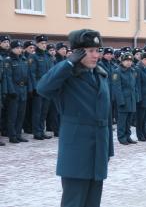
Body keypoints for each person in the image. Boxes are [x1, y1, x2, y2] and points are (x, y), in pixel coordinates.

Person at [36, 29, 113, 207]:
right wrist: (68, 64)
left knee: (93, 201)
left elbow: (107, 113)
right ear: (78, 53)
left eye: (98, 50)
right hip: (76, 149)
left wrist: (108, 148)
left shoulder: (101, 74)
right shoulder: (67, 75)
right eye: (90, 51)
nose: (96, 55)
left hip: (98, 147)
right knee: (74, 201)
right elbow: (43, 88)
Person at [6, 40, 33, 143]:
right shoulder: (9, 60)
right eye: (17, 48)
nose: (19, 49)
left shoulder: (24, 59)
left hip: (23, 89)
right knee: (13, 114)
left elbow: (28, 76)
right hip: (15, 89)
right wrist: (11, 91)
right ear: (12, 49)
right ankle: (12, 136)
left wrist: (29, 89)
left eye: (20, 48)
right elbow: (8, 77)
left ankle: (18, 134)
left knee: (21, 114)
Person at [113, 52, 138, 145]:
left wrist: (136, 97)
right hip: (123, 100)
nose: (128, 62)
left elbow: (134, 86)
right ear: (122, 61)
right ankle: (121, 137)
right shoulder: (117, 71)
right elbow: (117, 88)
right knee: (122, 121)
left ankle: (128, 136)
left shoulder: (132, 71)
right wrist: (120, 101)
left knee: (128, 121)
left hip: (131, 100)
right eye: (126, 60)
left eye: (130, 61)